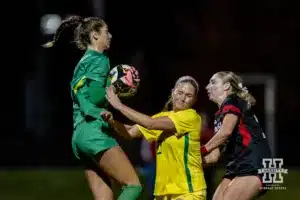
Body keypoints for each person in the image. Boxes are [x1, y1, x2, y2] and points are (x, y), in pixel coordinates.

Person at [43, 15, 142, 200]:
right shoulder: (100, 60)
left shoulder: (83, 62)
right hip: (95, 132)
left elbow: (82, 92)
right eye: (106, 32)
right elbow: (90, 97)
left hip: (79, 135)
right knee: (133, 187)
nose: (110, 36)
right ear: (95, 35)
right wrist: (112, 92)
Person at [102, 76, 207, 200]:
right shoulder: (163, 117)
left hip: (188, 191)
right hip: (163, 192)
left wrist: (119, 106)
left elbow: (150, 123)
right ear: (173, 92)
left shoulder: (191, 117)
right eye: (180, 93)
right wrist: (112, 122)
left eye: (189, 96)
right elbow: (130, 132)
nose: (183, 98)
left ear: (194, 100)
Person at [201, 71, 272, 200]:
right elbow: (215, 156)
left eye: (213, 82)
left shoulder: (232, 101)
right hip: (239, 166)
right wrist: (192, 161)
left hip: (256, 165)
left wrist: (201, 149)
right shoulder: (219, 115)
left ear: (226, 86)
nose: (207, 86)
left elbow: (225, 133)